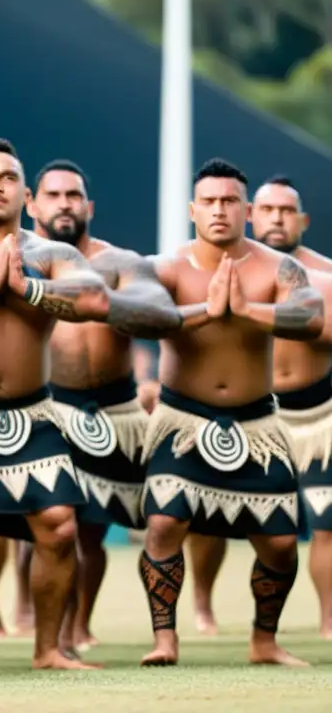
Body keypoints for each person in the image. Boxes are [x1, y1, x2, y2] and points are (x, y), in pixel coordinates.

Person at [0, 139, 179, 673]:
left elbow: (90, 300)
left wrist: (28, 289)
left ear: (24, 195)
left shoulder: (55, 256)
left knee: (60, 523)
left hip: (33, 410)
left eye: (7, 178)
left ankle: (49, 649)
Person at [136, 158, 323, 667]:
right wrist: (204, 313)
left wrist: (246, 311)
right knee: (163, 523)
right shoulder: (168, 266)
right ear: (193, 210)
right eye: (210, 202)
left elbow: (309, 316)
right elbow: (140, 316)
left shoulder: (277, 267)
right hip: (181, 421)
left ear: (247, 210)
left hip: (257, 423)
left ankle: (264, 641)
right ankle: (165, 639)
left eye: (230, 202)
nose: (219, 210)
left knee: (282, 542)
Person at [28, 159, 157, 652]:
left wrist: (102, 300)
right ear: (32, 205)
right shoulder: (18, 259)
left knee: (93, 531)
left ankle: (78, 626)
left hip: (112, 411)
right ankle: (33, 622)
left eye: (74, 195)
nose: (65, 204)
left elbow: (152, 315)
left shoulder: (120, 262)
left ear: (89, 206)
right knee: (48, 525)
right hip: (48, 405)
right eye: (54, 195)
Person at [250, 175, 332, 638]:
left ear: (302, 220)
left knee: (327, 522)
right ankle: (199, 607)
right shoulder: (233, 270)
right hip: (251, 413)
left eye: (286, 211)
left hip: (317, 415)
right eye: (268, 209)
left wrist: (253, 310)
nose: (277, 218)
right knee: (202, 516)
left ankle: (328, 621)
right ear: (251, 215)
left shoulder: (326, 276)